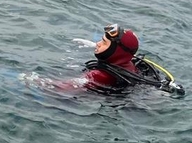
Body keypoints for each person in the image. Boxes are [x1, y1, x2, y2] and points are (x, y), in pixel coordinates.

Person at [25, 24, 184, 95]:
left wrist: (32, 81)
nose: (98, 44)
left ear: (116, 51)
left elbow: (62, 88)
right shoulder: (130, 64)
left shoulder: (99, 75)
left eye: (104, 42)